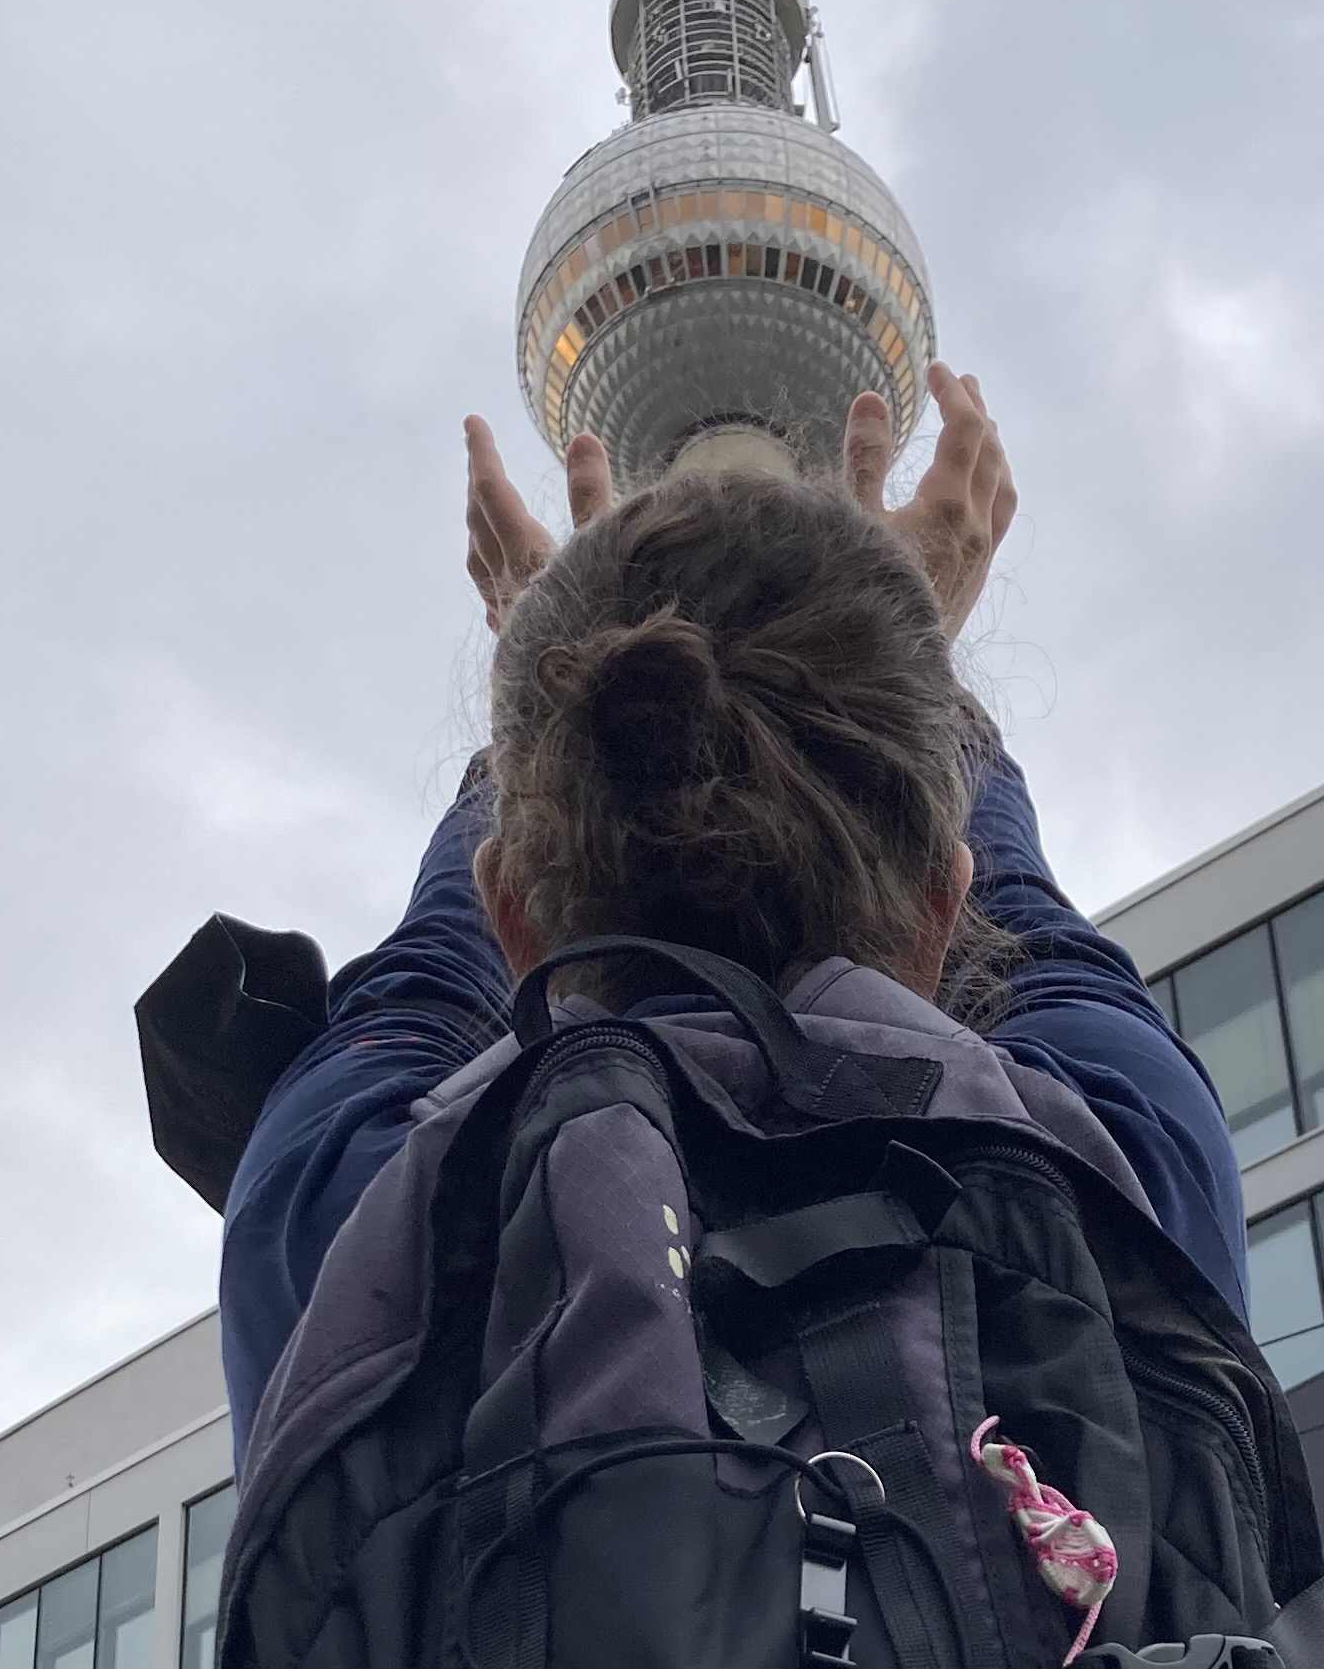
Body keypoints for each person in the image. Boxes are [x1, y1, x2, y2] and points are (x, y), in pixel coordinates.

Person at [216, 366, 1248, 1472]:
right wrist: (913, 651)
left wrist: (548, 672)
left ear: (513, 918)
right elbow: (1044, 950)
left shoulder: (347, 1228)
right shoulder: (1122, 1181)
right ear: (939, 910)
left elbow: (418, 986)